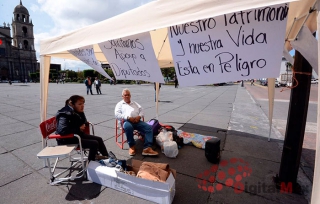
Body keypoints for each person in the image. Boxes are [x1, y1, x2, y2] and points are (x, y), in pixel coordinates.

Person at [55, 95, 109, 161]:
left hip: (76, 135)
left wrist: (81, 113)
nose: (82, 105)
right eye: (80, 104)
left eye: (83, 103)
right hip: (67, 139)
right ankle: (91, 163)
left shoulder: (75, 111)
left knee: (99, 139)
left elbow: (84, 121)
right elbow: (62, 130)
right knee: (94, 143)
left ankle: (106, 158)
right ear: (72, 104)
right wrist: (78, 128)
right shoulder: (65, 114)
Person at [115, 88, 158, 156]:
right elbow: (117, 115)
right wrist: (128, 117)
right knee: (128, 127)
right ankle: (132, 146)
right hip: (126, 121)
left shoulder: (134, 103)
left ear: (130, 95)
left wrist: (139, 116)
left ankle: (147, 148)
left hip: (136, 121)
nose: (127, 96)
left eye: (128, 95)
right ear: (122, 96)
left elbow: (142, 110)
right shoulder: (120, 104)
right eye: (125, 95)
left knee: (148, 128)